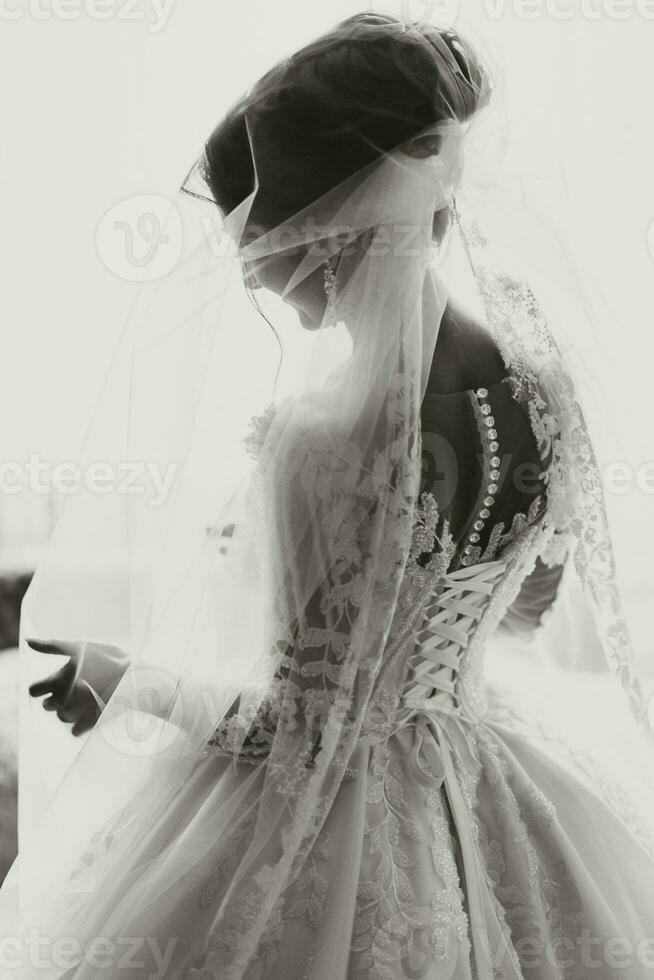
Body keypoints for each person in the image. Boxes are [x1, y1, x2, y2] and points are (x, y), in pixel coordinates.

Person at [4, 12, 654, 980]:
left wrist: (127, 678)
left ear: (335, 221)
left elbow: (301, 730)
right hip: (491, 782)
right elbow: (523, 606)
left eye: (260, 233)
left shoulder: (322, 441)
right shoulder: (540, 387)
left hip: (335, 837)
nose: (254, 271)